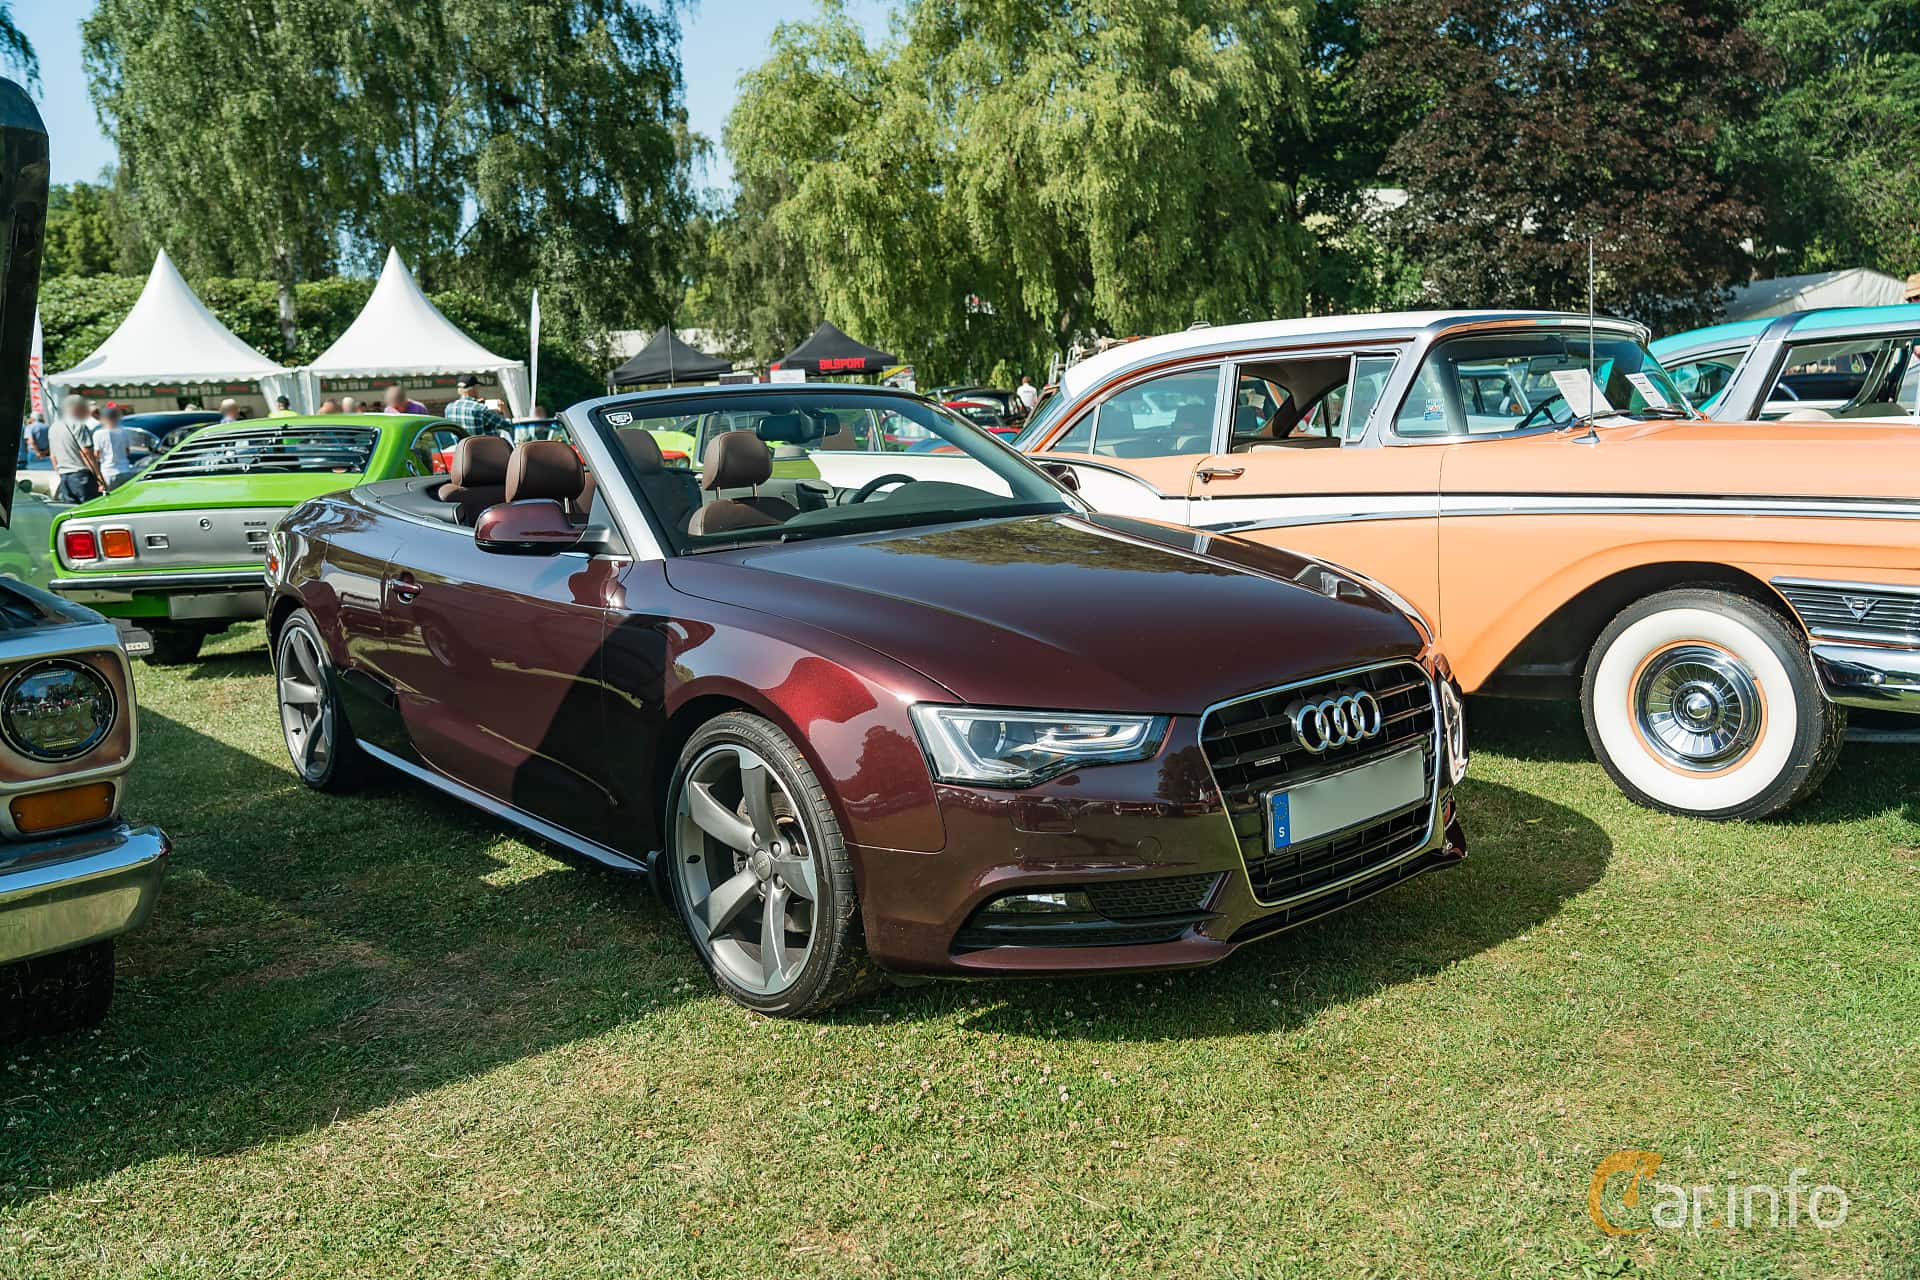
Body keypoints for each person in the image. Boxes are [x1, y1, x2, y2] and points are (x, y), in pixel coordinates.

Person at [50, 394, 104, 504]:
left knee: (73, 514)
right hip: (81, 476)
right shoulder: (79, 425)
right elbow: (86, 453)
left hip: (64, 476)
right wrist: (99, 478)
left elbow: (53, 456)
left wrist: (60, 474)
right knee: (90, 510)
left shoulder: (54, 427)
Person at [93, 404, 136, 491]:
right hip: (125, 469)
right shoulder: (124, 431)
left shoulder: (98, 434)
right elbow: (127, 451)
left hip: (108, 472)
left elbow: (96, 454)